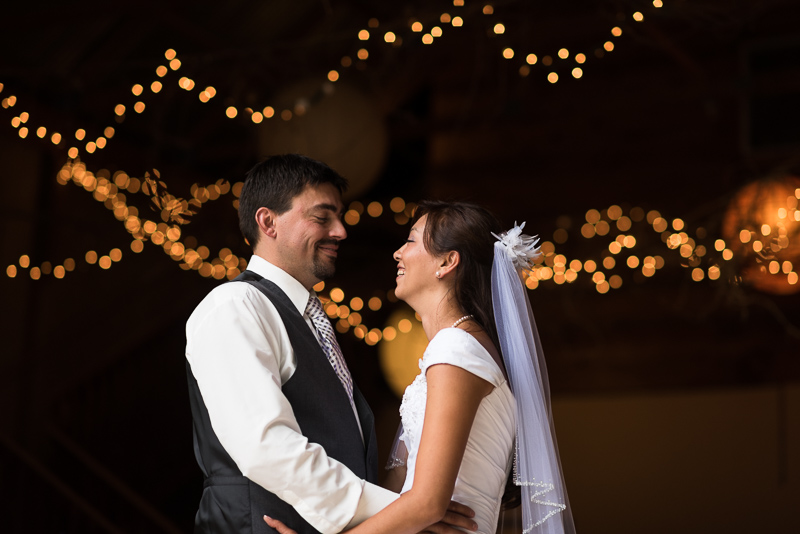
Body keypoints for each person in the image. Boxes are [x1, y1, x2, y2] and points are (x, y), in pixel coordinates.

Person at [185, 156, 476, 534]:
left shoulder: (311, 318)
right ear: (267, 222)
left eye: (340, 217)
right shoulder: (235, 306)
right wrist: (406, 510)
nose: (340, 231)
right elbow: (265, 445)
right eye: (322, 217)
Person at [266, 200, 575, 534]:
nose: (398, 253)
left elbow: (426, 503)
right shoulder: (452, 350)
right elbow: (400, 488)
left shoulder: (456, 349)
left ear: (446, 262)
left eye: (411, 240)